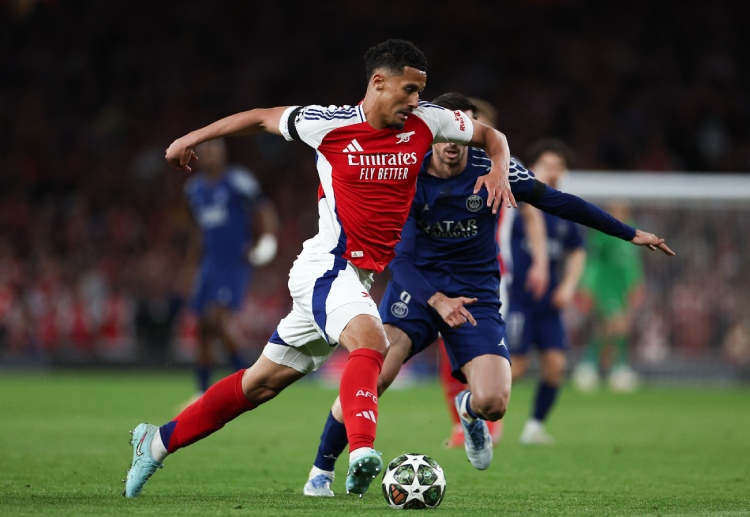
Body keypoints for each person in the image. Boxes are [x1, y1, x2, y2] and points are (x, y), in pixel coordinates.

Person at [123, 38, 518, 499]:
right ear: (379, 82)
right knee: (372, 339)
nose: (416, 101)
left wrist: (498, 168)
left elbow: (492, 136)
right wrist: (191, 138)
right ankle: (362, 450)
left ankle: (155, 441)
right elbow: (260, 117)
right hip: (327, 266)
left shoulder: (430, 121)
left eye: (420, 92)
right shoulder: (327, 123)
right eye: (409, 90)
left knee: (259, 385)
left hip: (356, 278)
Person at [302, 92, 674, 497]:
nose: (451, 141)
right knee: (375, 375)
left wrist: (628, 232)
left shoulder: (495, 170)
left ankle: (468, 410)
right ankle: (322, 469)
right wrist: (437, 301)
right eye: (444, 132)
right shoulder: (409, 174)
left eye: (460, 132)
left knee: (494, 402)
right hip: (418, 290)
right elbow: (401, 260)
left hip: (475, 294)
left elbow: (558, 202)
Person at [439, 96, 549, 448]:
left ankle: (489, 418)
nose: (465, 131)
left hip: (491, 273)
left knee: (489, 347)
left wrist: (541, 261)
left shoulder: (504, 165)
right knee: (448, 349)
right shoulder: (439, 164)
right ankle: (461, 423)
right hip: (443, 272)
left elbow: (532, 213)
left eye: (474, 124)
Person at [500, 138, 585, 445]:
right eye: (546, 165)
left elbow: (578, 250)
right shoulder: (516, 204)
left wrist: (568, 286)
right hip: (517, 299)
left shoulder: (564, 209)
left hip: (549, 304)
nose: (553, 171)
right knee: (516, 367)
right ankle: (481, 417)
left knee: (555, 366)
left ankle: (534, 427)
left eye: (558, 166)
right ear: (532, 168)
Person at [181, 138, 279, 402]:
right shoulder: (193, 189)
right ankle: (202, 391)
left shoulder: (238, 181)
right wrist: (191, 265)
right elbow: (197, 231)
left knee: (216, 319)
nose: (211, 156)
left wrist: (266, 240)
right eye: (206, 151)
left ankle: (248, 378)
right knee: (203, 326)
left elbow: (264, 209)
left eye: (215, 150)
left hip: (234, 263)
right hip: (209, 264)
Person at [572, 200, 646, 393]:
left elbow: (632, 263)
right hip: (606, 287)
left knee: (614, 329)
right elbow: (593, 262)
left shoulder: (632, 230)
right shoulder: (603, 232)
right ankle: (612, 368)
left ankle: (595, 367)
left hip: (622, 289)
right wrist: (587, 286)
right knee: (617, 325)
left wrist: (635, 284)